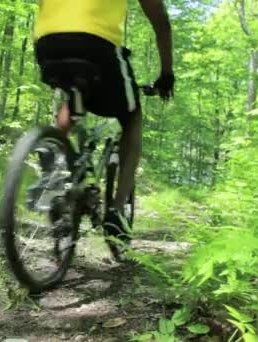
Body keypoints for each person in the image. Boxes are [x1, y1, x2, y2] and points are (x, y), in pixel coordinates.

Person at [33, 0, 175, 253]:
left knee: (74, 98)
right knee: (132, 117)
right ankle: (116, 211)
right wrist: (166, 75)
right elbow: (161, 24)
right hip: (95, 42)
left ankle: (53, 152)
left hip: (47, 42)